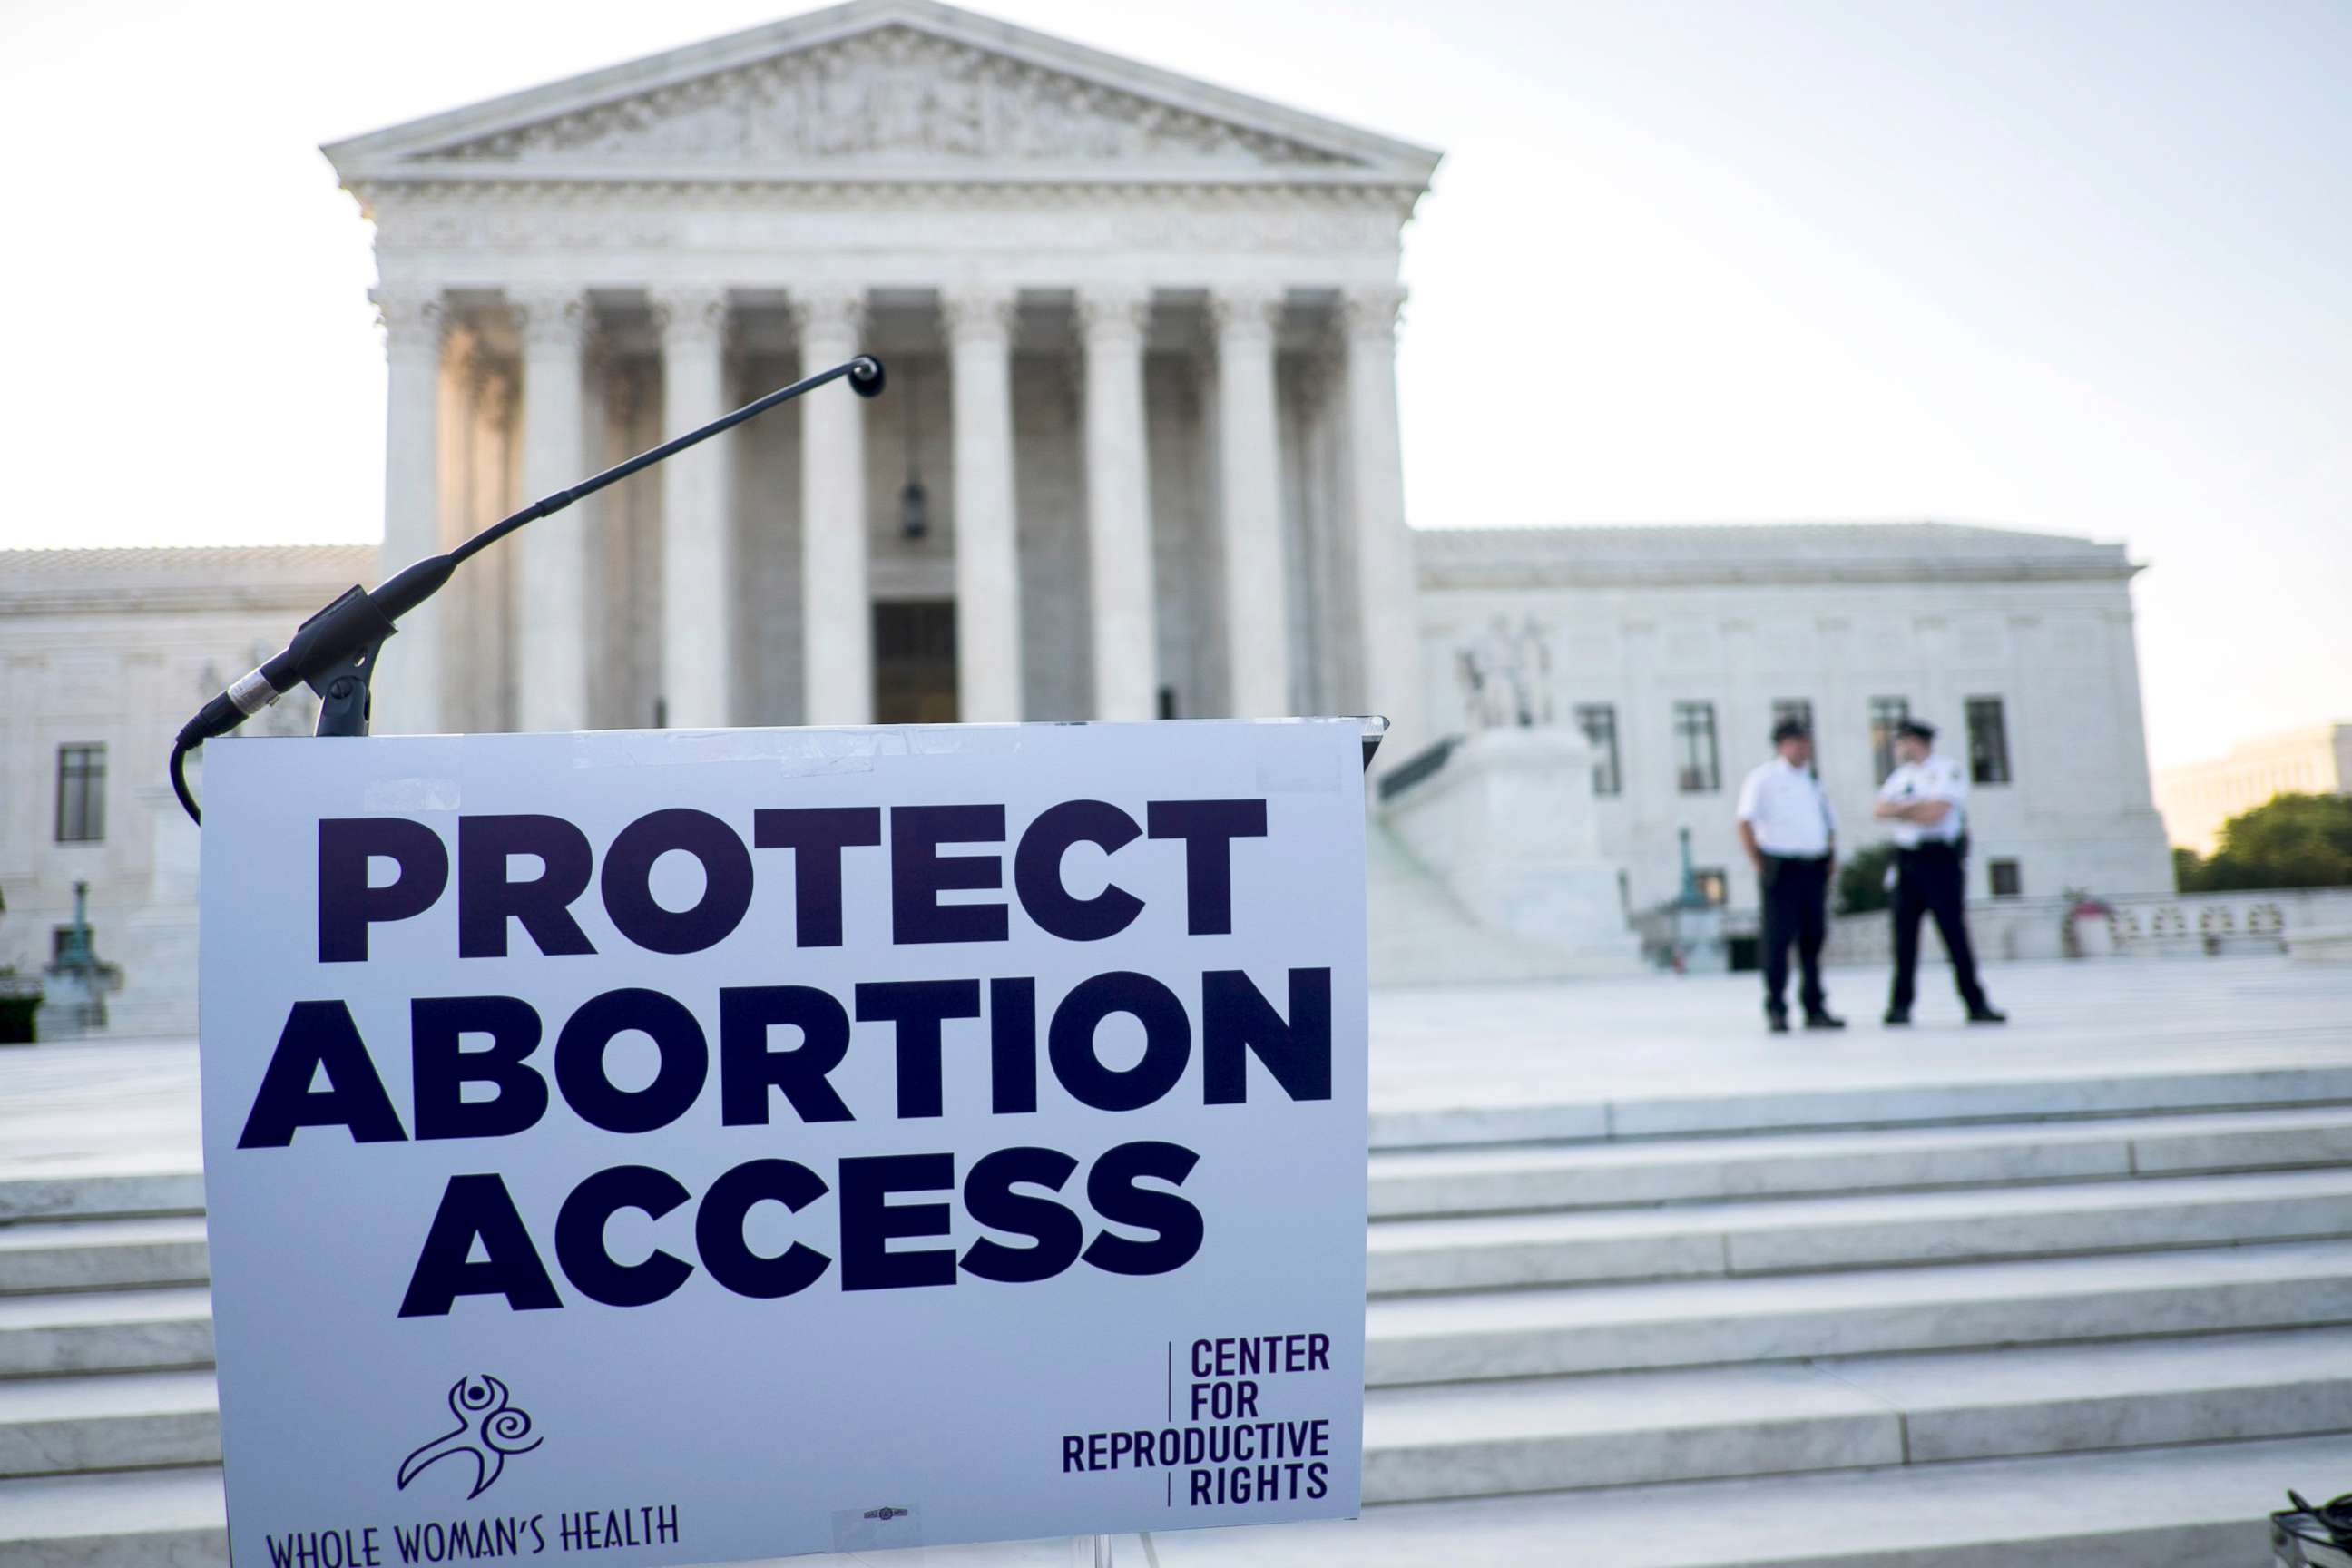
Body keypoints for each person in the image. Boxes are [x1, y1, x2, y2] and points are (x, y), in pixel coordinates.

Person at [1873, 719, 2006, 1025]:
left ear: (1918, 741)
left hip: (1940, 861)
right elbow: (1879, 810)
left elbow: (1937, 814)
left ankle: (1976, 1003)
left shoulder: (1946, 770)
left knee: (1954, 935)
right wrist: (1915, 807)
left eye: (1904, 741)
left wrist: (1902, 809)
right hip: (1907, 861)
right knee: (1903, 939)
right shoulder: (1901, 776)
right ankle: (1900, 1006)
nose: (1900, 747)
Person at [1736, 718, 1843, 1034]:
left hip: (1813, 867)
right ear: (1782, 745)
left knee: (1813, 938)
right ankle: (1777, 1007)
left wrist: (1830, 858)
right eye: (1796, 742)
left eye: (1806, 741)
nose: (1803, 748)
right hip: (1781, 867)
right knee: (1778, 940)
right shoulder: (1764, 779)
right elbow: (1745, 822)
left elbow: (1828, 825)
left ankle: (1815, 1005)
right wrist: (1759, 862)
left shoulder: (1813, 781)